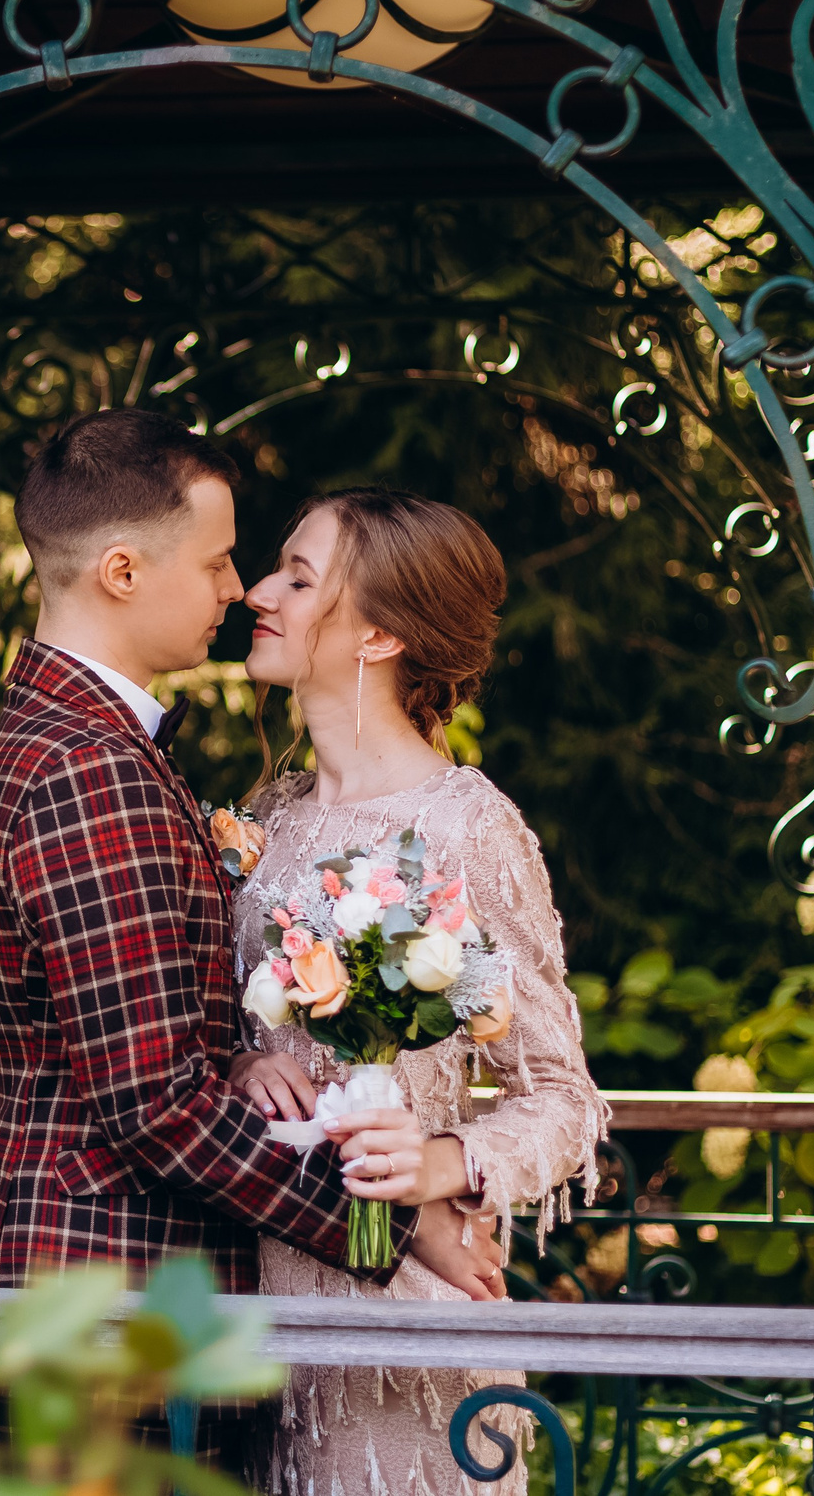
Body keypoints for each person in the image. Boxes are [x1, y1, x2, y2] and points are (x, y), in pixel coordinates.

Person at [0, 414, 494, 1456]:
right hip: (108, 1314)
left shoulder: (83, 743)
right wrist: (391, 1221)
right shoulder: (87, 770)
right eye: (214, 560)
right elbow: (152, 1104)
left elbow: (135, 1033)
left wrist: (240, 1056)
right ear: (122, 571)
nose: (235, 588)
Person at [226, 487, 609, 1496]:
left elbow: (562, 1099)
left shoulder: (466, 827)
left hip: (407, 1337)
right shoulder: (269, 819)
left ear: (380, 636)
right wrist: (241, 1059)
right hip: (252, 1335)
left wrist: (440, 1162)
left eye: (298, 578)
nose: (258, 591)